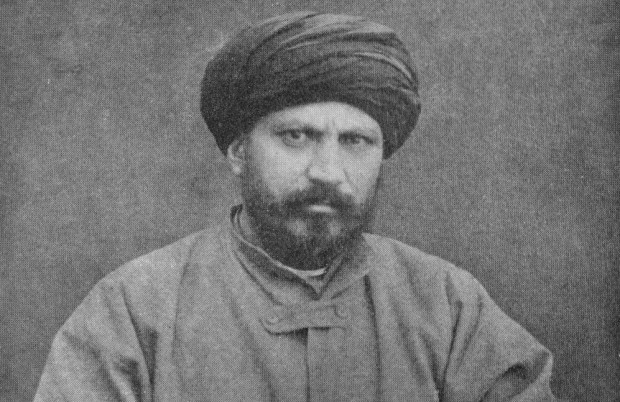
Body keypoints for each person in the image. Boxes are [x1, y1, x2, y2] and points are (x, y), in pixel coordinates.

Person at [34, 12, 557, 401]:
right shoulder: (133, 310)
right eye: (296, 136)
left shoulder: (448, 305)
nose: (327, 171)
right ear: (238, 151)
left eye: (355, 142)